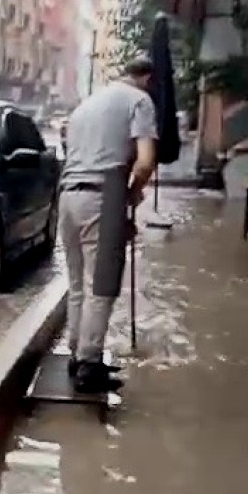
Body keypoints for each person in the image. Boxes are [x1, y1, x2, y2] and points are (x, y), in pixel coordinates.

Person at [59, 58, 159, 394]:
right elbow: (145, 162)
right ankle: (89, 364)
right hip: (103, 195)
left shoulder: (87, 105)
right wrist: (130, 197)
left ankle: (77, 353)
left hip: (68, 195)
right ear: (146, 78)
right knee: (101, 286)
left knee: (77, 284)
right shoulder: (139, 101)